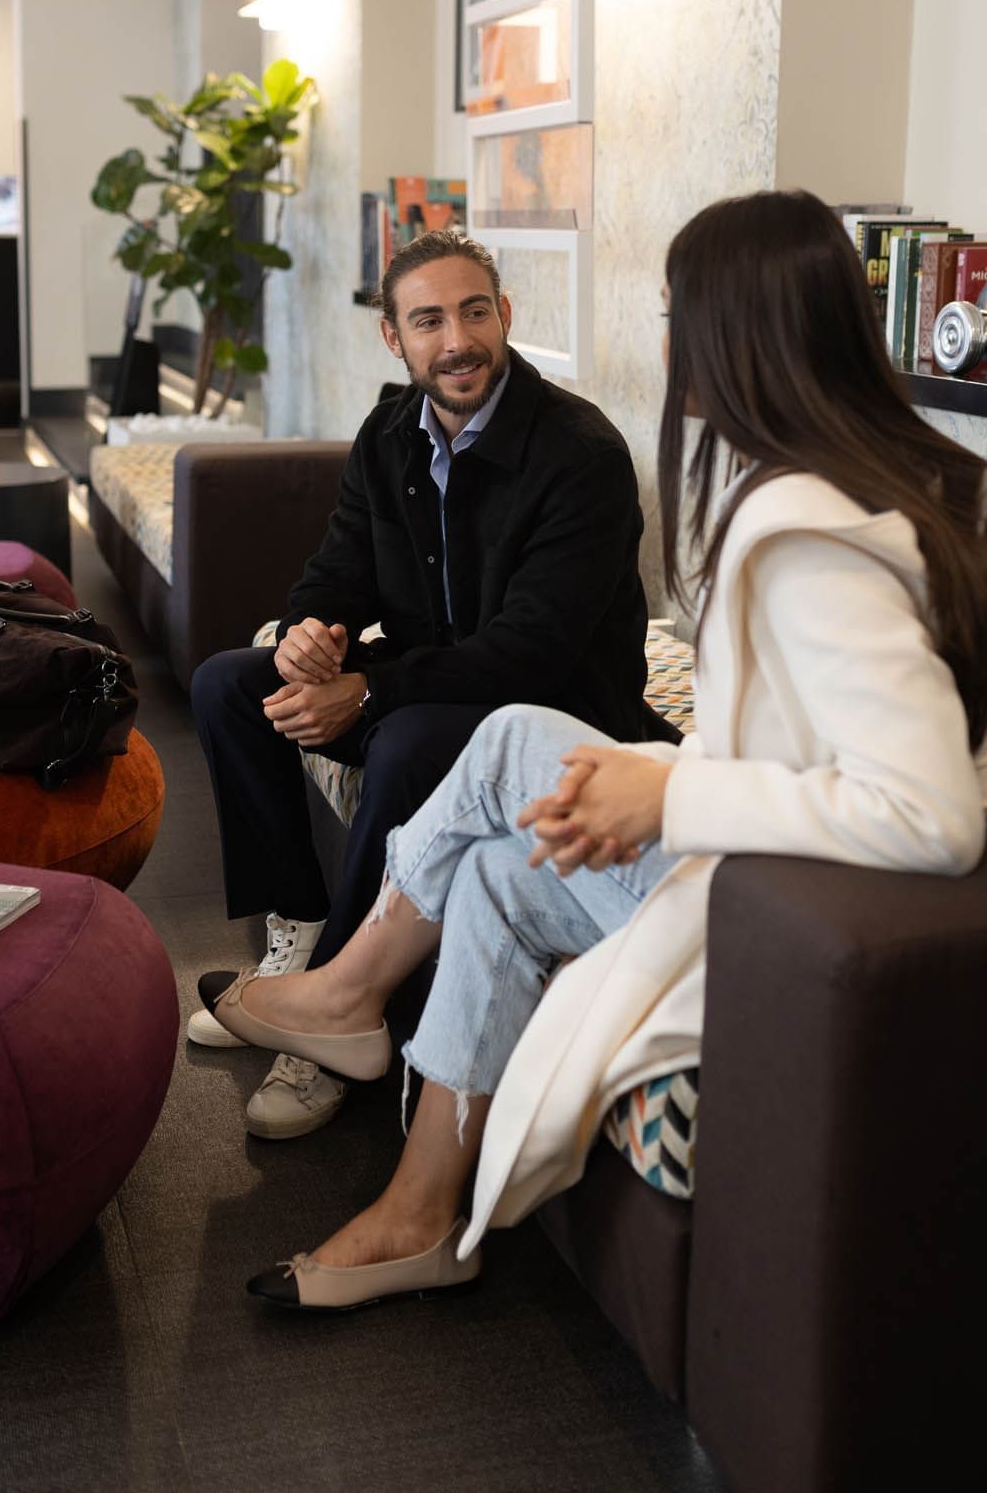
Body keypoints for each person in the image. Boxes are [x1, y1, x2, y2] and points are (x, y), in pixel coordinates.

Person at [207, 189, 987, 1310]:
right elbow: (802, 752)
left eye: (676, 313)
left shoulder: (814, 536)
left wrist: (668, 797)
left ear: (738, 332)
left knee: (506, 732)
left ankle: (344, 995)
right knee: (483, 865)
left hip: (780, 913)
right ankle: (420, 1208)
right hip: (763, 866)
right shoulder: (847, 484)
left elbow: (928, 816)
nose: (665, 341)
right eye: (427, 319)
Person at [190, 226, 656, 1141]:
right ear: (394, 338)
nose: (458, 340)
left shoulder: (581, 455)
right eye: (430, 319)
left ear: (506, 316)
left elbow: (530, 652)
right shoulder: (388, 433)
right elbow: (337, 570)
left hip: (551, 711)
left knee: (405, 742)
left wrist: (365, 692)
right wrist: (308, 641)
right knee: (226, 685)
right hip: (431, 680)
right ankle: (301, 934)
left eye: (475, 312)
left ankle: (342, 1011)